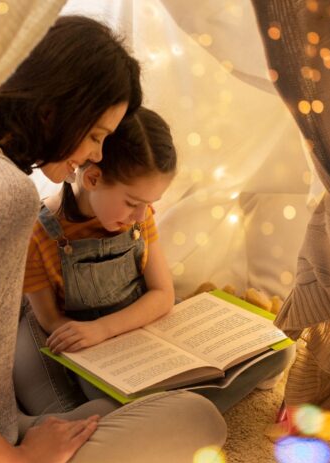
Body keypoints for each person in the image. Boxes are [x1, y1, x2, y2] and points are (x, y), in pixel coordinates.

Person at [0, 15, 226, 463]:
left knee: (104, 411)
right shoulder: (3, 195)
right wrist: (22, 461)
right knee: (201, 420)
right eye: (95, 136)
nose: (96, 155)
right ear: (52, 110)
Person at [15, 106, 295, 417]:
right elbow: (50, 321)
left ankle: (172, 413)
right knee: (101, 401)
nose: (141, 215)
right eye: (132, 202)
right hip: (92, 345)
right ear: (93, 178)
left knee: (280, 351)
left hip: (140, 328)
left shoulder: (139, 216)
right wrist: (97, 334)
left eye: (149, 204)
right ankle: (179, 413)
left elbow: (163, 295)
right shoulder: (39, 233)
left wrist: (109, 328)